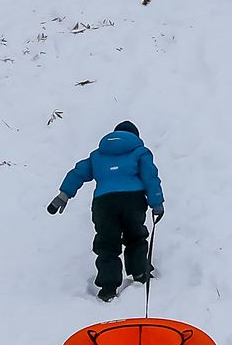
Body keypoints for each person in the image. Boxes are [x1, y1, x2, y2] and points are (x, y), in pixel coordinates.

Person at [47, 121, 165, 301]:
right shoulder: (140, 152)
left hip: (104, 203)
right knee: (135, 237)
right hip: (133, 200)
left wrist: (63, 195)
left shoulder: (98, 155)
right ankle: (140, 273)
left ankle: (108, 288)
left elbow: (77, 173)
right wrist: (156, 202)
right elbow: (150, 177)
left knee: (107, 243)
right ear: (135, 137)